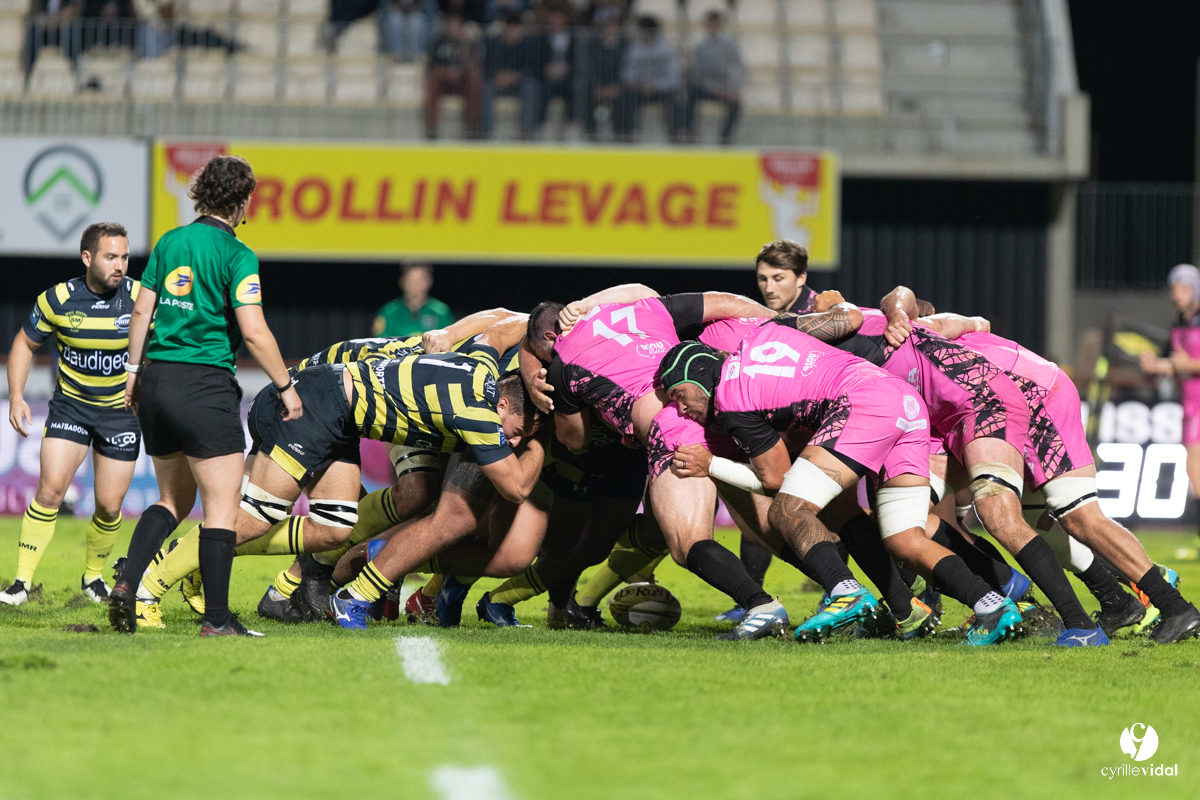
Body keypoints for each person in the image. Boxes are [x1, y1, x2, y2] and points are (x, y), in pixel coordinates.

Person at [109, 154, 301, 637]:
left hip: (154, 381)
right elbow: (254, 332)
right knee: (221, 506)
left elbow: (140, 315)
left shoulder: (170, 241)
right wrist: (286, 387)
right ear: (241, 202)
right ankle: (216, 619)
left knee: (173, 499)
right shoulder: (238, 254)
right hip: (204, 385)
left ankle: (127, 582)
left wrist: (133, 373)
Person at [1, 223, 140, 607]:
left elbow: (164, 347)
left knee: (110, 505)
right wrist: (16, 397)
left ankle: (93, 579)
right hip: (71, 409)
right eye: (111, 257)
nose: (120, 265)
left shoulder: (142, 298)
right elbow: (24, 343)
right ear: (87, 258)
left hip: (120, 414)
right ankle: (21, 583)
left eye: (125, 257)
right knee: (50, 491)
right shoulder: (58, 299)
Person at [1141, 264, 1200, 549]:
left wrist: (1185, 364)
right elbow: (1180, 367)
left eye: (1184, 288)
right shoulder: (1178, 323)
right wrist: (1158, 366)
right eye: (1174, 289)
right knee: (1193, 468)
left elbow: (1188, 364)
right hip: (1189, 402)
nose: (1177, 295)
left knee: (1195, 465)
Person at [613, 16, 682, 142]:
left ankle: (675, 136)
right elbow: (626, 75)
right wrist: (640, 85)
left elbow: (674, 78)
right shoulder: (634, 49)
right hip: (639, 90)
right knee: (624, 98)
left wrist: (656, 85)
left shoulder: (667, 49)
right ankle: (630, 136)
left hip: (661, 91)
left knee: (676, 99)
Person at [684, 11, 743, 145]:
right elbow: (698, 75)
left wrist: (732, 88)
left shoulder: (730, 46)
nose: (713, 27)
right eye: (710, 24)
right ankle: (690, 132)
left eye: (716, 24)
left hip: (726, 88)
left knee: (736, 103)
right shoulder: (701, 48)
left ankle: (725, 137)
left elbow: (739, 68)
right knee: (690, 94)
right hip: (707, 88)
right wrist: (715, 88)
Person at [424, 12, 483, 139]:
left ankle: (470, 128)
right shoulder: (438, 42)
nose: (454, 28)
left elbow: (473, 68)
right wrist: (447, 71)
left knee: (474, 82)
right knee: (431, 81)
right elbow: (431, 68)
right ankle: (432, 127)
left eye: (457, 26)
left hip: (461, 81)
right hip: (443, 81)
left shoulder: (469, 44)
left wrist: (465, 44)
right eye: (451, 25)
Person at [482, 12, 540, 138]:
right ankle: (488, 132)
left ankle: (526, 133)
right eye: (510, 28)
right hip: (497, 83)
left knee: (531, 87)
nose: (513, 32)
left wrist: (515, 76)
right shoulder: (494, 44)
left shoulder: (528, 44)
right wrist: (498, 76)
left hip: (519, 85)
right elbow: (487, 67)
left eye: (516, 28)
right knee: (486, 87)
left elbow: (533, 68)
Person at [372, 264, 455, 337]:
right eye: (411, 280)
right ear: (402, 281)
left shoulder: (441, 311)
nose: (415, 285)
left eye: (420, 281)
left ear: (430, 281)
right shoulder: (388, 311)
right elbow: (379, 342)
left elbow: (450, 343)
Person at [582, 6, 625, 139]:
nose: (612, 26)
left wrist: (618, 86)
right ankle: (591, 136)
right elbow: (588, 68)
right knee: (585, 96)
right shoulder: (592, 45)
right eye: (608, 23)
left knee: (625, 99)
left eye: (614, 23)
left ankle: (621, 136)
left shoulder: (625, 45)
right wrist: (597, 87)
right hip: (596, 87)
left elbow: (628, 69)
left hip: (619, 88)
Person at [535, 6, 576, 135]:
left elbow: (577, 60)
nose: (556, 22)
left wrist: (567, 69)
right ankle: (543, 126)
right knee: (542, 88)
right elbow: (538, 60)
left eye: (559, 19)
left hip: (567, 76)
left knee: (575, 87)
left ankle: (571, 125)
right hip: (548, 77)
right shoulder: (542, 38)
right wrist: (547, 70)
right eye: (554, 19)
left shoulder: (574, 37)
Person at [756, 238, 817, 315]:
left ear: (800, 279)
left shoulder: (820, 319)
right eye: (763, 279)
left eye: (778, 279)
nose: (769, 289)